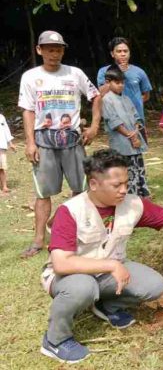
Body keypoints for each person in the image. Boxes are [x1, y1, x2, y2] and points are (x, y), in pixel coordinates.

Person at [39, 149, 163, 363]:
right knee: (82, 287)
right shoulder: (70, 210)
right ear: (93, 184)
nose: (123, 190)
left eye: (126, 183)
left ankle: (106, 305)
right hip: (69, 276)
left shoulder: (132, 204)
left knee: (154, 285)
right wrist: (111, 265)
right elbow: (62, 263)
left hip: (108, 271)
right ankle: (56, 340)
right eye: (116, 185)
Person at [18, 30, 102, 258]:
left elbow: (95, 96)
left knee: (82, 189)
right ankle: (38, 240)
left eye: (58, 49)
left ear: (63, 50)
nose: (54, 54)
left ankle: (67, 228)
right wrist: (30, 142)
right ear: (39, 50)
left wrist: (94, 126)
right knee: (43, 193)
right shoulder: (30, 77)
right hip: (43, 141)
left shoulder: (75, 74)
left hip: (72, 140)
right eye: (49, 50)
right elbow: (28, 110)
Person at [101, 65, 151, 197]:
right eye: (117, 83)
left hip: (135, 141)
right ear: (108, 82)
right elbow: (114, 121)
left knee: (138, 168)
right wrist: (130, 135)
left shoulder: (126, 98)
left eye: (122, 82)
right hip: (121, 143)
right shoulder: (106, 100)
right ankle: (129, 198)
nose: (121, 85)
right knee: (126, 171)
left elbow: (136, 116)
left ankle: (142, 197)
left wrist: (135, 132)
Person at [97, 37, 152, 141]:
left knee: (139, 151)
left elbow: (146, 95)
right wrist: (116, 72)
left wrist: (132, 105)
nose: (123, 54)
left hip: (137, 120)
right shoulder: (104, 72)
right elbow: (101, 94)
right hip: (115, 121)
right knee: (119, 153)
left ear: (129, 53)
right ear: (112, 54)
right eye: (119, 51)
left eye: (125, 51)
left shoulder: (139, 72)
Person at [0, 111, 17, 194]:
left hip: (1, 145)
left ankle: (4, 186)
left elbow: (6, 130)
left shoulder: (1, 117)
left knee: (2, 167)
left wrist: (11, 143)